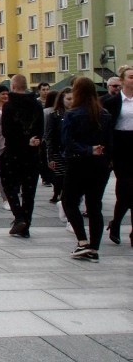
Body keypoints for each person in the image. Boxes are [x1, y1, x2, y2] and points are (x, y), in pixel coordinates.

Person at [61, 77, 113, 262]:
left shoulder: (72, 114)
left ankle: (82, 242)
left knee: (69, 200)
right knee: (94, 206)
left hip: (78, 163)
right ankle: (95, 247)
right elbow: (110, 143)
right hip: (100, 165)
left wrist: (87, 149)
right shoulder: (105, 114)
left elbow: (67, 141)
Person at [1, 74, 44, 239]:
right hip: (32, 153)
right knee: (29, 190)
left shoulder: (9, 106)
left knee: (9, 184)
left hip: (13, 152)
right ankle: (26, 224)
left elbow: (7, 132)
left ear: (12, 86)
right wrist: (34, 140)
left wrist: (24, 140)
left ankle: (19, 217)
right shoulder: (37, 104)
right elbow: (40, 128)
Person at [103, 66, 133, 247]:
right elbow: (106, 127)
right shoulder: (112, 102)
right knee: (125, 188)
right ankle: (115, 223)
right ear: (122, 81)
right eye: (131, 77)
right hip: (120, 145)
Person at [44, 87, 72, 204]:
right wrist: (50, 156)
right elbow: (50, 136)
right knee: (60, 177)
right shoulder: (55, 115)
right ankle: (59, 195)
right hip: (59, 151)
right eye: (69, 99)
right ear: (62, 99)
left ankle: (65, 198)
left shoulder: (79, 113)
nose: (71, 101)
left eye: (73, 98)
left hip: (74, 151)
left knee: (70, 178)